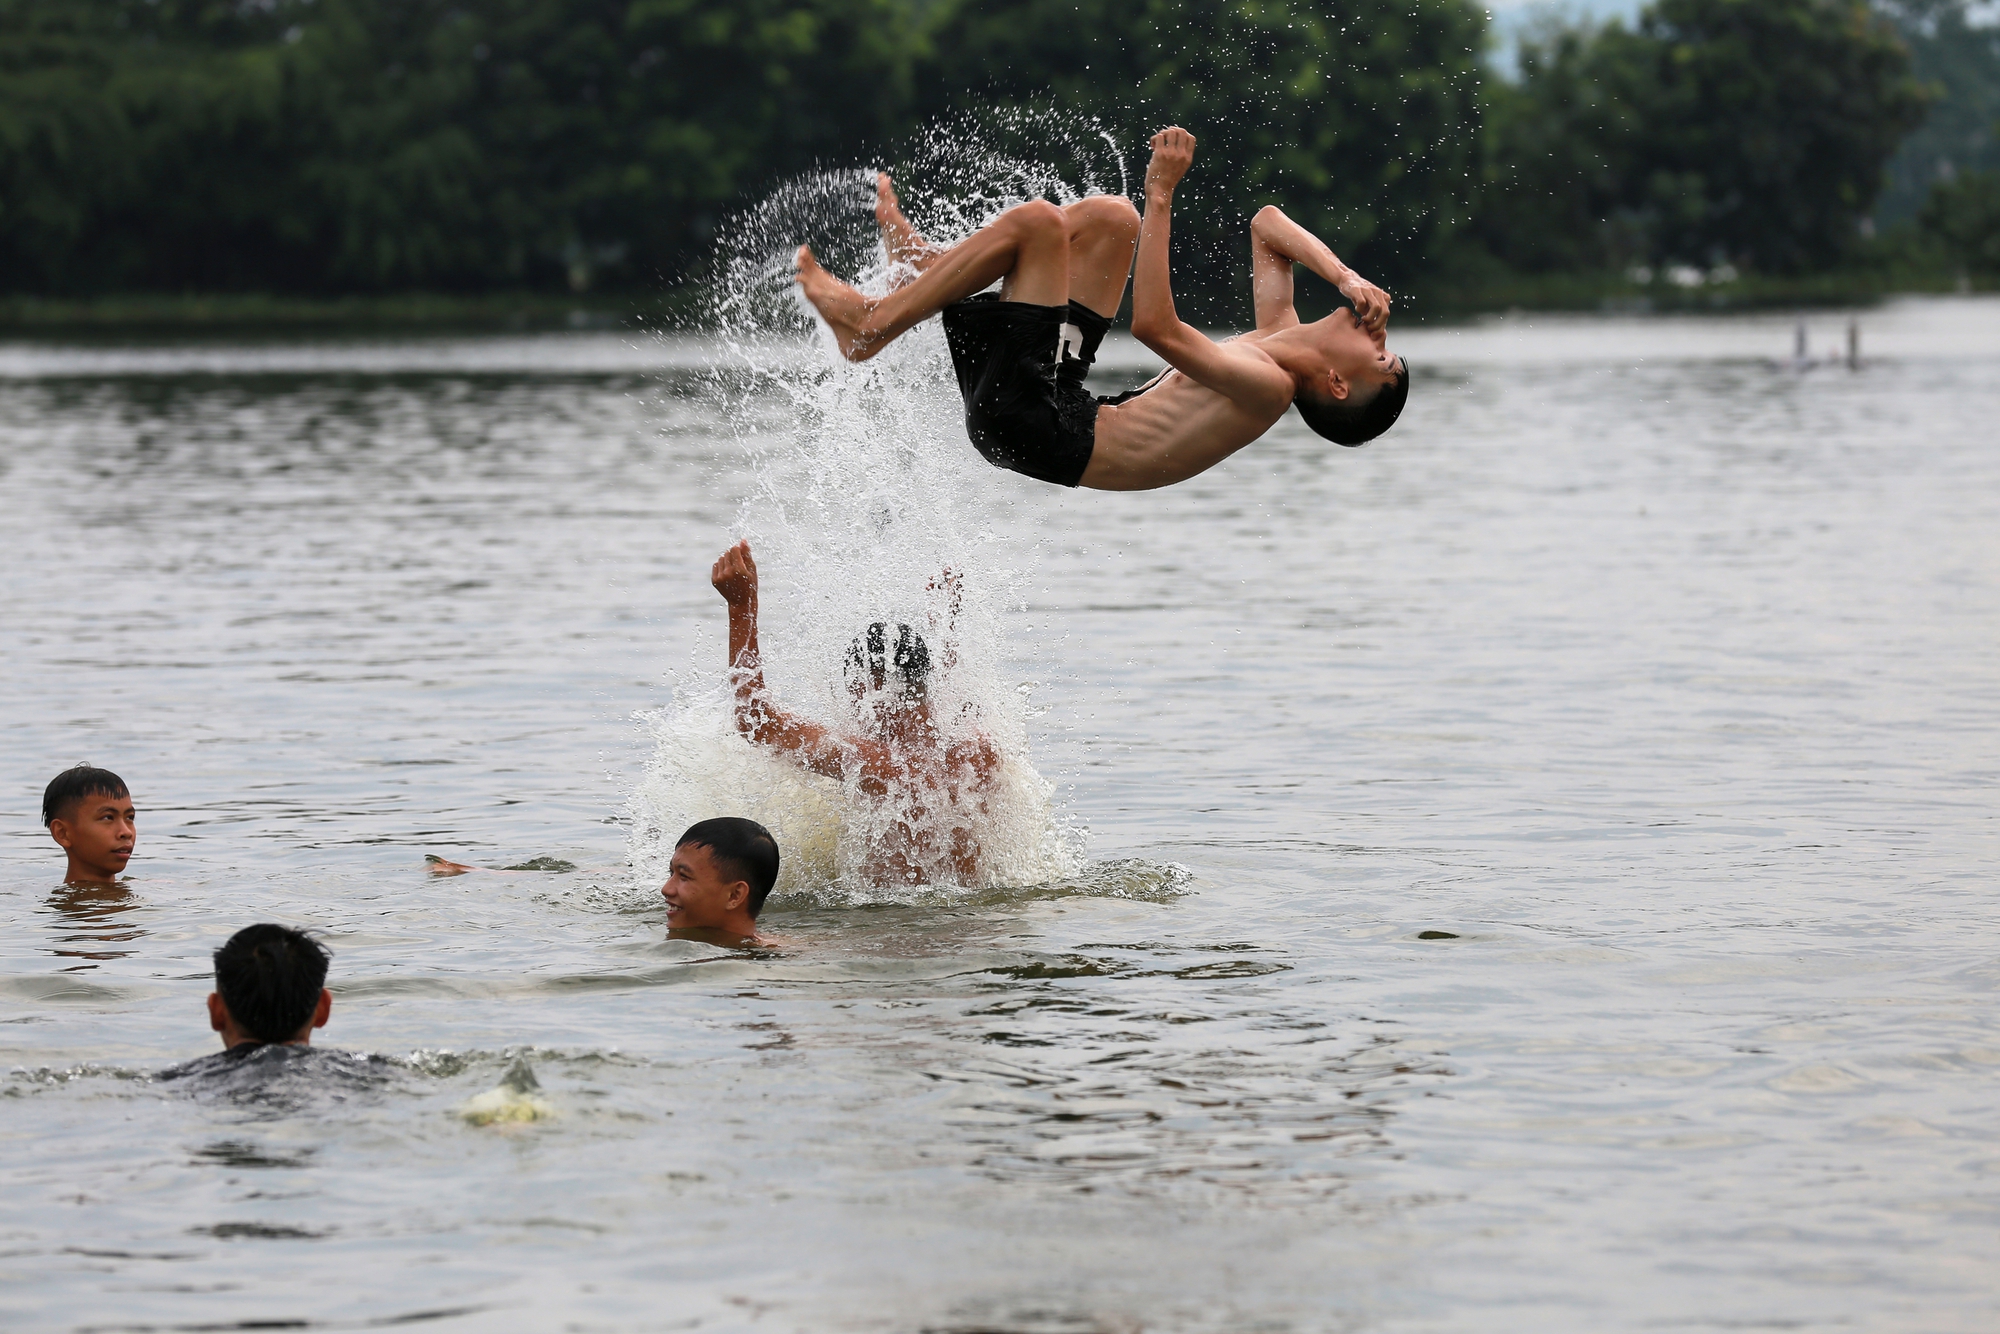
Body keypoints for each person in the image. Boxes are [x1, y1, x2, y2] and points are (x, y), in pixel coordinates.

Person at [794, 126, 1408, 492]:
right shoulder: (1281, 336)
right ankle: (929, 271)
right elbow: (1267, 225)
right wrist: (1344, 274)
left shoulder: (1267, 386)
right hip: (1059, 396)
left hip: (1036, 426)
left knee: (1038, 224)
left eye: (1380, 359)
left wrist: (1162, 190)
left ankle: (873, 327)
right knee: (1116, 221)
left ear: (1335, 382)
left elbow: (1154, 327)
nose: (1380, 337)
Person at [710, 540, 998, 885]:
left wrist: (742, 606)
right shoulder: (975, 753)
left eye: (855, 695)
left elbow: (757, 723)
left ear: (876, 690)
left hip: (900, 929)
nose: (854, 711)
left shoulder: (883, 767)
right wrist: (947, 622)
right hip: (975, 928)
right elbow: (950, 684)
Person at [661, 817, 781, 947]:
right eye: (671, 873)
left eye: (684, 876)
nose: (666, 889)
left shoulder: (773, 962)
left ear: (734, 895)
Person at [42, 765, 136, 885]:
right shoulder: (72, 902)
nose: (126, 832)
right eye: (108, 817)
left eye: (129, 817)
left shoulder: (147, 885)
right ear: (63, 833)